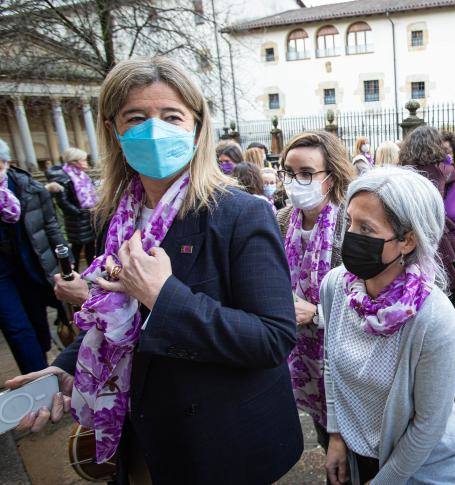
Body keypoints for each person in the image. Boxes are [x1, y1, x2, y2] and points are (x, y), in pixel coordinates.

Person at [6, 57, 303, 483]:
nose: (154, 129)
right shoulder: (114, 216)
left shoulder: (240, 214)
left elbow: (273, 338)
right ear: (115, 130)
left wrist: (165, 297)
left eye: (171, 116)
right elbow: (111, 315)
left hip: (216, 443)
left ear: (197, 128)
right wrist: (69, 367)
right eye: (136, 117)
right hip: (138, 429)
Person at [322, 166, 455, 485]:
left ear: (407, 241)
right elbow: (330, 365)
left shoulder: (434, 319)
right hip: (358, 457)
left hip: (423, 470)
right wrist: (335, 435)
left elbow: (427, 425)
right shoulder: (336, 286)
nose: (350, 236)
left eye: (366, 228)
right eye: (349, 222)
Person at [276, 130, 355, 449]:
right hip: (299, 353)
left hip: (341, 352)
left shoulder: (349, 223)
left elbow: (368, 296)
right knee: (324, 432)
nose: (296, 181)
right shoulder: (281, 220)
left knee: (351, 438)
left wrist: (317, 314)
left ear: (332, 176)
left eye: (307, 173)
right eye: (290, 173)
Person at [401, 127, 455, 382]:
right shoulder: (434, 174)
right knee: (430, 315)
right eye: (442, 152)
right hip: (427, 259)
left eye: (449, 152)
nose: (445, 156)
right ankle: (435, 363)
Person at [1, 138, 66, 374]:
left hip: (33, 267)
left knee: (39, 323)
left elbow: (51, 227)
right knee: (16, 327)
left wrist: (64, 263)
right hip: (2, 276)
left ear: (5, 163)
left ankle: (43, 358)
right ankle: (37, 379)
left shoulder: (30, 189)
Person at [45, 147, 97, 267]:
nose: (86, 162)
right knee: (77, 247)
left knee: (90, 245)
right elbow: (62, 201)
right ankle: (73, 271)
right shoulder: (64, 178)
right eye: (83, 160)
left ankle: (92, 271)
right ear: (74, 162)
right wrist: (79, 212)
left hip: (88, 217)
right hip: (76, 220)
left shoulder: (83, 176)